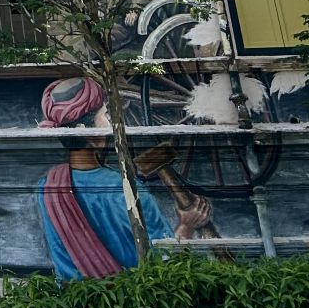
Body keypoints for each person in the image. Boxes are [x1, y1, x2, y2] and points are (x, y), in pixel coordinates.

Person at [36, 76, 210, 280]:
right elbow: (163, 263)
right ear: (87, 132)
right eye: (105, 114)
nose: (110, 121)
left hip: (77, 298)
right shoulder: (126, 188)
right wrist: (186, 226)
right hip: (127, 296)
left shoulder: (46, 187)